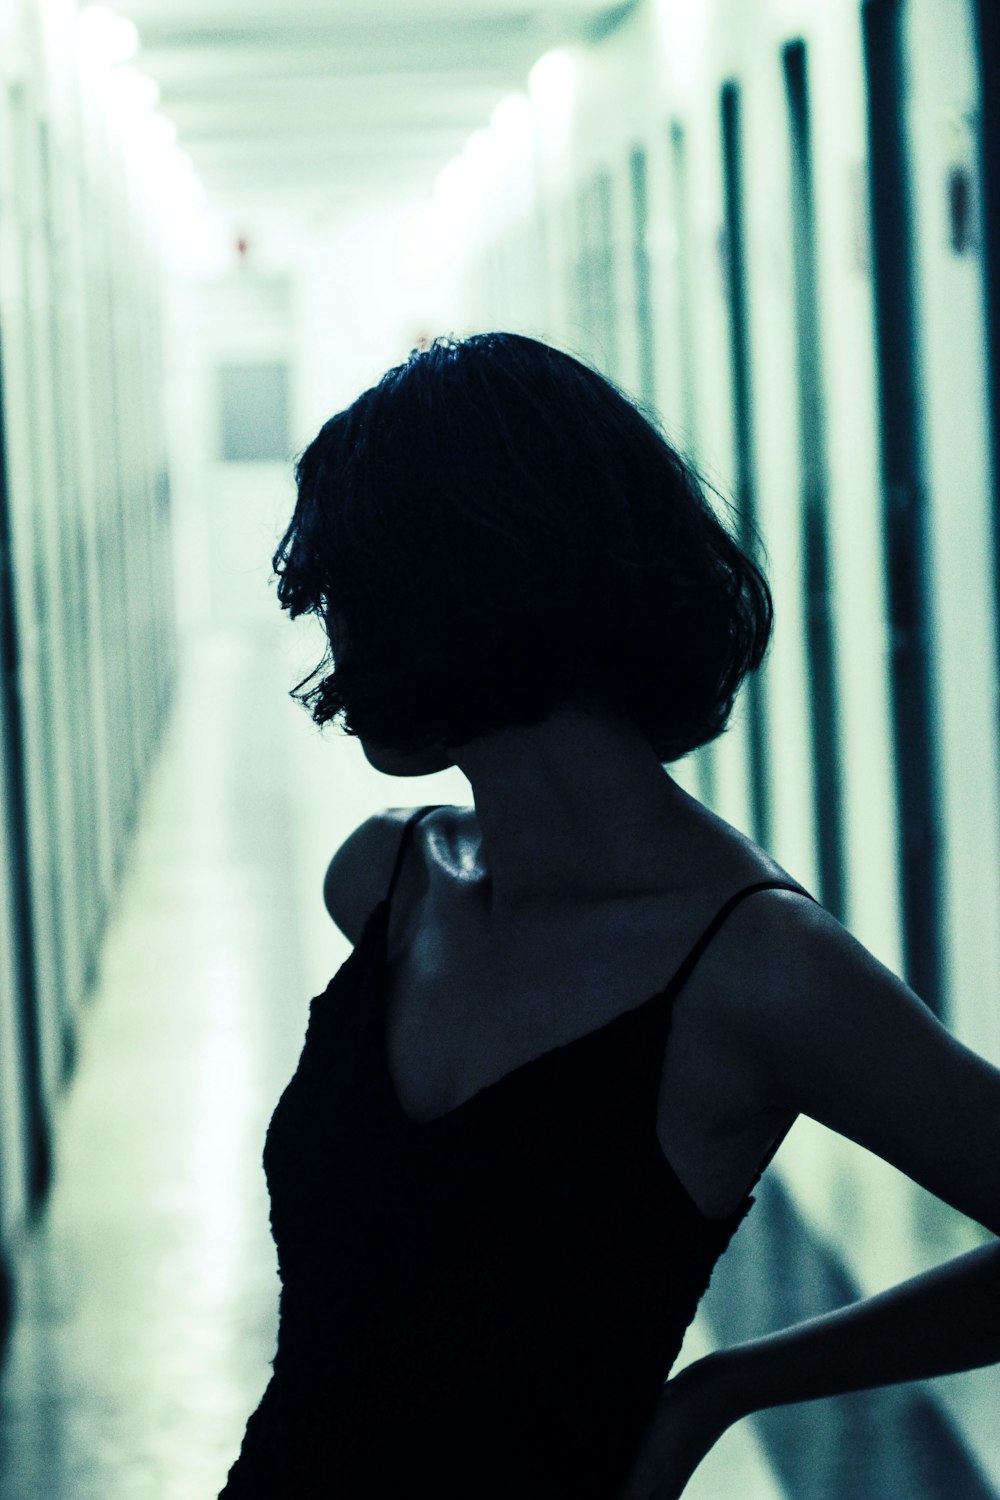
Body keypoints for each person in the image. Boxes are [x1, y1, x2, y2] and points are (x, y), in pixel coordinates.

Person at [219, 333, 1000, 1500]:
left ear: (456, 594)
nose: (334, 643)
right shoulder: (384, 883)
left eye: (349, 596)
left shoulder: (755, 970)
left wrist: (717, 1391)